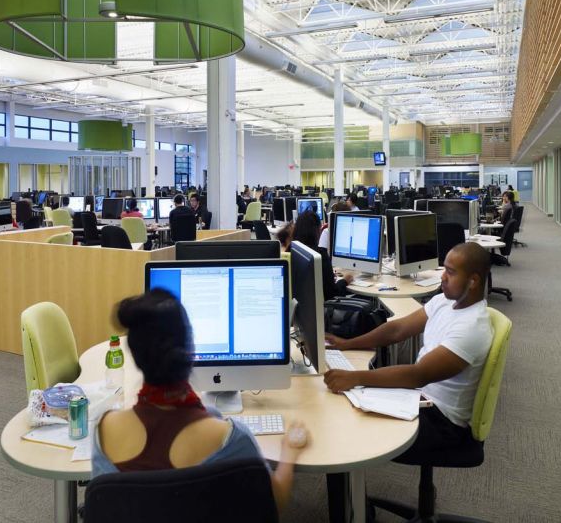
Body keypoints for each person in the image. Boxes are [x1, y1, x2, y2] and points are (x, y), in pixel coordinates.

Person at [91, 289, 309, 511]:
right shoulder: (231, 439)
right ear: (191, 348)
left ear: (135, 356)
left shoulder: (103, 431)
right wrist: (289, 449)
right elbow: (276, 503)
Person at [324, 242, 494, 462]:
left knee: (352, 425)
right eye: (444, 269)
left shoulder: (473, 327)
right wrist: (348, 344)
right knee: (348, 405)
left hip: (441, 421)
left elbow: (418, 374)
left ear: (473, 281)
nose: (443, 277)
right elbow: (397, 330)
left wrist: (355, 377)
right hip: (417, 397)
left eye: (451, 272)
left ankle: (351, 496)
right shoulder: (444, 301)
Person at [289, 210, 352, 301]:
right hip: (324, 310)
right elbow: (332, 294)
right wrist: (345, 281)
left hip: (299, 309)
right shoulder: (319, 255)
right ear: (317, 231)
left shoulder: (292, 250)